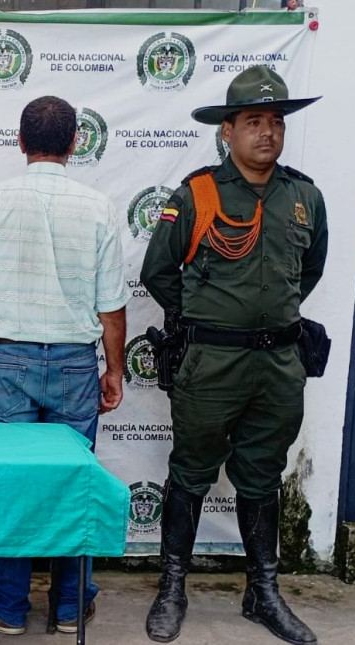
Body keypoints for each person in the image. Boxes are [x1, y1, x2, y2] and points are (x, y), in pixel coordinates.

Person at [140, 66, 325, 645]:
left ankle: (263, 592)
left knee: (263, 476)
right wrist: (211, 318)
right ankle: (172, 588)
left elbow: (309, 271)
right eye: (253, 121)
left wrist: (265, 317)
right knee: (191, 473)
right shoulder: (197, 195)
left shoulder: (305, 197)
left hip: (280, 367)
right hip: (211, 365)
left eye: (276, 121)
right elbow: (159, 273)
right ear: (227, 131)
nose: (268, 132)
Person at [0, 96, 129, 635]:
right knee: (74, 485)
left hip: (10, 361)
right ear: (75, 143)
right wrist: (114, 369)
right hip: (75, 365)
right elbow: (111, 305)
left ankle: (7, 606)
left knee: (12, 485)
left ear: (21, 141)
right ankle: (70, 606)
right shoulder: (98, 207)